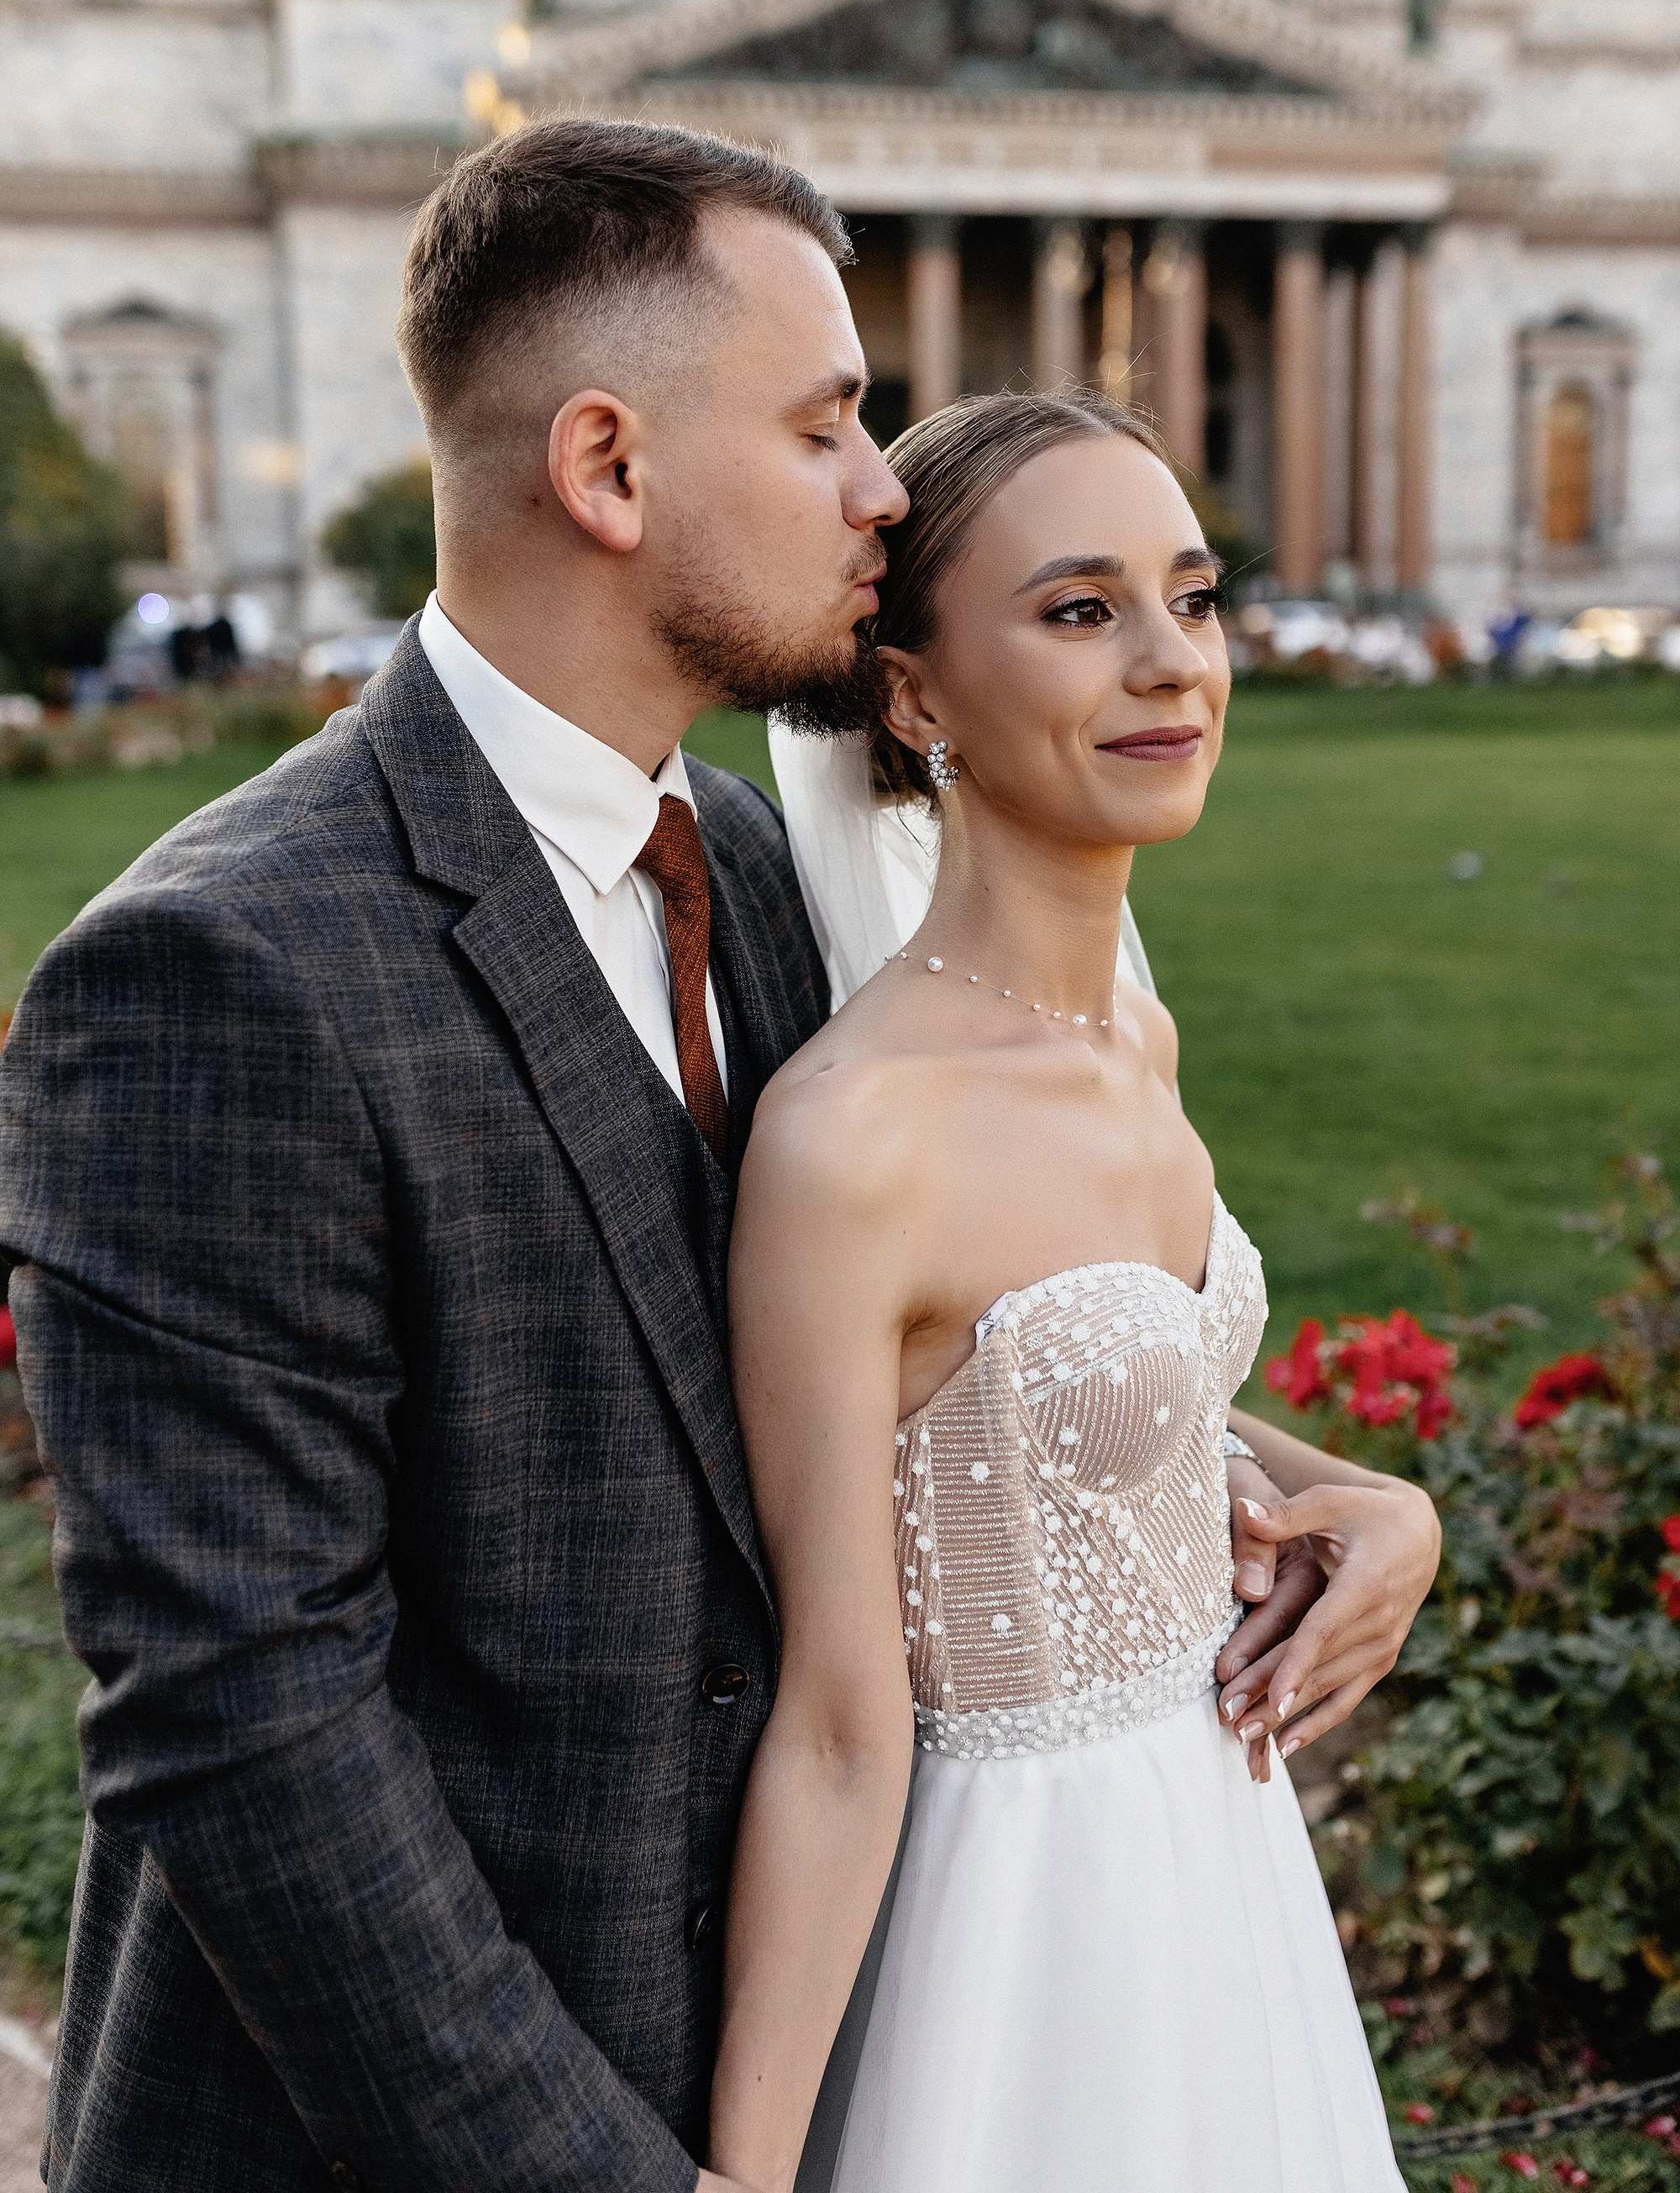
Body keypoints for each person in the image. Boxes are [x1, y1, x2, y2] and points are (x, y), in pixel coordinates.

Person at [0, 118, 1426, 2193]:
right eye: (827, 424)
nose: (882, 491)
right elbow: (247, 1720)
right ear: (607, 467)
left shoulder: (745, 867)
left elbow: (945, 1357)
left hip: (823, 2054)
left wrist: (1339, 1493)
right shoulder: (223, 972)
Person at [709, 390, 1441, 2193]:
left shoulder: (1136, 1036)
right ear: (913, 698)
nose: (1171, 663)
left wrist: (1380, 1505)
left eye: (1191, 597)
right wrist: (741, 2173)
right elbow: (834, 1728)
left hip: (1224, 1875)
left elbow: (1102, 1409)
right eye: (1080, 609)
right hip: (1019, 1936)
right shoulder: (856, 1140)